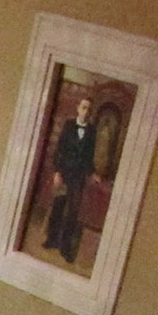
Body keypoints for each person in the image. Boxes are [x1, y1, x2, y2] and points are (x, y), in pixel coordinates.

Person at [42, 96, 99, 264]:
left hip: (78, 177)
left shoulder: (92, 131)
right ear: (78, 108)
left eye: (89, 109)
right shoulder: (68, 126)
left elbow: (89, 157)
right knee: (58, 206)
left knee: (73, 211)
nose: (86, 111)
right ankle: (52, 239)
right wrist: (57, 173)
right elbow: (59, 150)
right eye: (83, 107)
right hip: (64, 174)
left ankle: (65, 247)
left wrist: (93, 173)